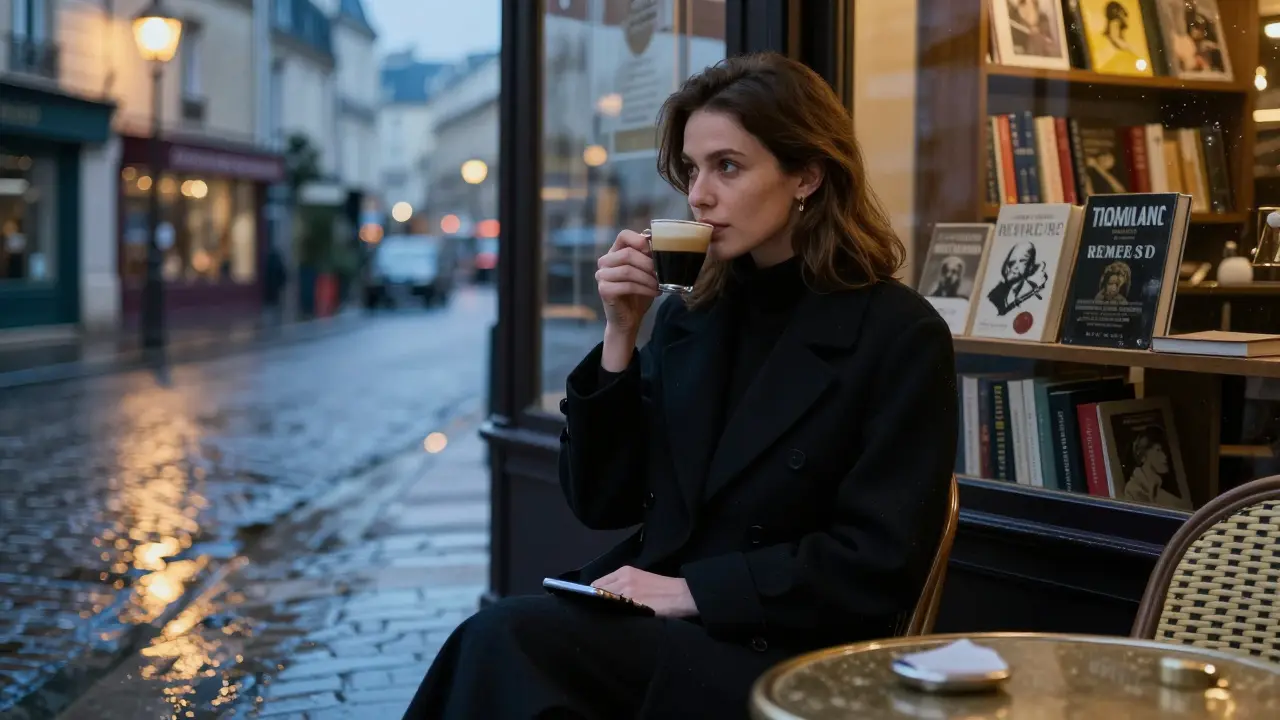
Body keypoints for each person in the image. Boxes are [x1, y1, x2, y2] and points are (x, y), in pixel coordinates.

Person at [402, 51, 957, 720]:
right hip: (660, 627)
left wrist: (692, 590)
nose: (698, 195)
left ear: (806, 174)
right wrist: (619, 336)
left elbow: (876, 564)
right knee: (496, 645)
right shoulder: (690, 316)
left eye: (728, 166)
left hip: (783, 654)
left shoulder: (896, 333)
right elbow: (603, 501)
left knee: (506, 642)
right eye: (692, 170)